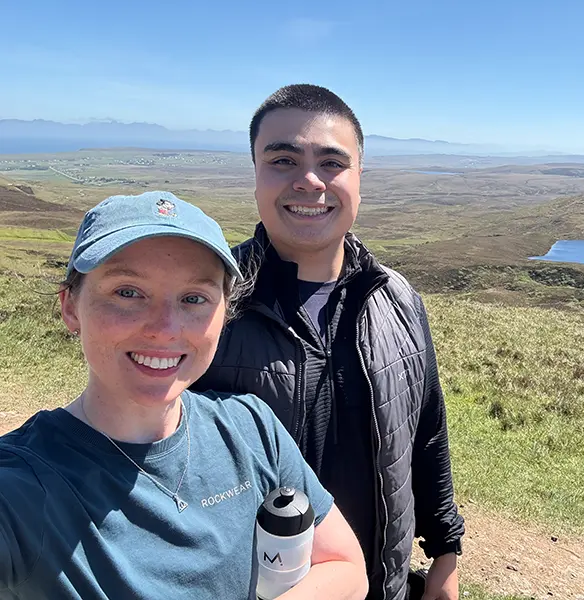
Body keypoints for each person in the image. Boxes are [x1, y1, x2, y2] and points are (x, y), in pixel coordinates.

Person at [0, 191, 368, 600]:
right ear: (71, 306)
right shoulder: (23, 487)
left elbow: (345, 565)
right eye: (127, 292)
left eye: (194, 298)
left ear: (224, 314)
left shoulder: (250, 427)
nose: (164, 328)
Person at [192, 85, 465, 600]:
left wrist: (445, 560)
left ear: (360, 178)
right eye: (283, 159)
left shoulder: (396, 299)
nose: (309, 181)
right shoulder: (205, 305)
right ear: (255, 174)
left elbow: (427, 436)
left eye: (332, 162)